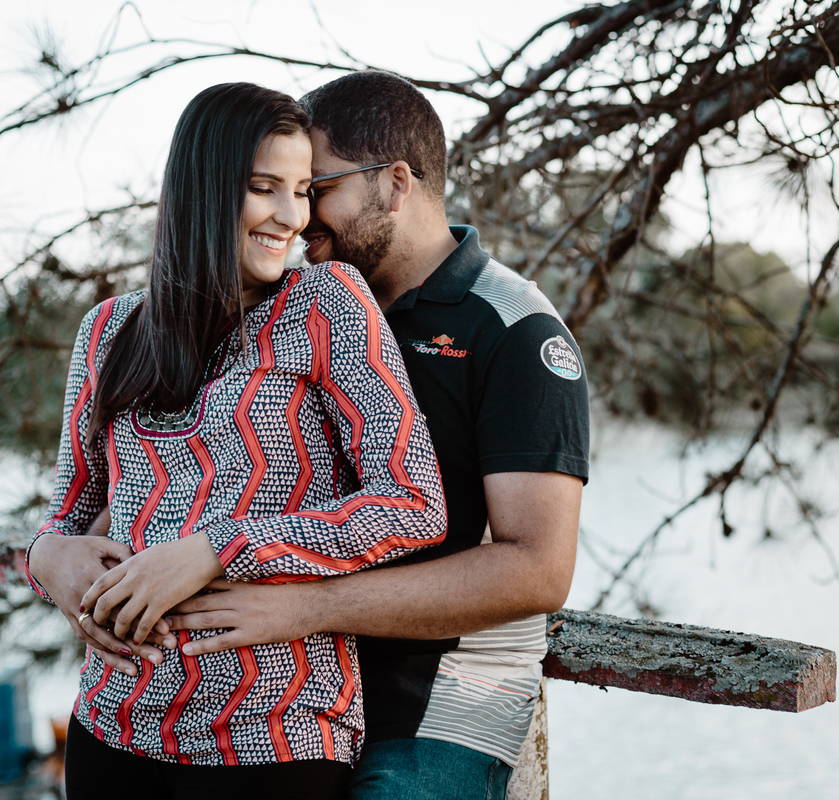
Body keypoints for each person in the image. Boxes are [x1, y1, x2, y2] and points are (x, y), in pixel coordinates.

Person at [155, 71, 591, 799]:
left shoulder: (513, 329)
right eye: (283, 189)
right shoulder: (293, 309)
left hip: (443, 698)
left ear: (394, 183)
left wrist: (301, 607)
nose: (297, 216)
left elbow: (537, 570)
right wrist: (61, 551)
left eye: (315, 187)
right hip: (296, 678)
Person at [24, 81, 446, 800]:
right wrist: (46, 557)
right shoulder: (108, 332)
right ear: (205, 187)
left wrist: (220, 547)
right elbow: (68, 512)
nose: (292, 217)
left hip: (273, 738)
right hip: (112, 727)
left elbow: (413, 502)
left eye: (305, 190)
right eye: (264, 188)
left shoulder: (327, 303)